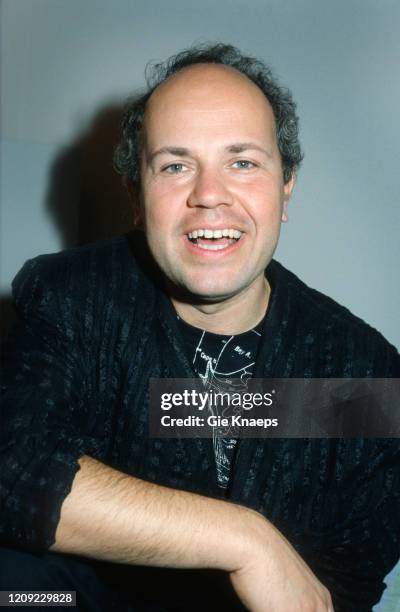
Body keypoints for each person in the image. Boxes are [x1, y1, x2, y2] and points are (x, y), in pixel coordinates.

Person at [1, 43, 399, 612]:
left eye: (242, 161)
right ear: (137, 199)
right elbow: (15, 472)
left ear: (286, 187)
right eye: (175, 165)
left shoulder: (363, 374)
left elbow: (341, 587)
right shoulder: (72, 295)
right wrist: (245, 541)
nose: (209, 196)